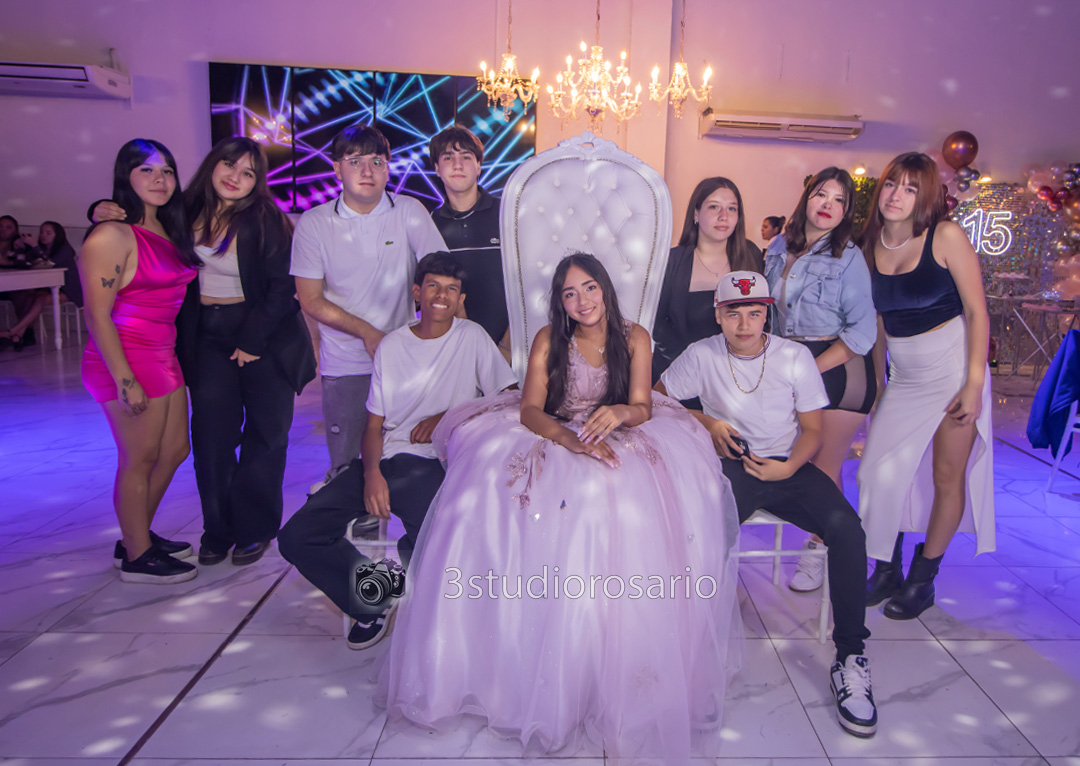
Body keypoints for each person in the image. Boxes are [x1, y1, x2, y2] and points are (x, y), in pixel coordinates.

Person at [380, 253, 742, 762]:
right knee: (508, 492)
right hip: (555, 430)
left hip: (620, 426)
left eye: (589, 288)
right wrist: (569, 440)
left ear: (605, 288)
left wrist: (620, 412)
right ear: (560, 302)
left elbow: (644, 405)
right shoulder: (551, 339)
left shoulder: (634, 337)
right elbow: (529, 409)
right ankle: (522, 657)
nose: (582, 301)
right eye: (570, 293)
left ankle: (619, 660)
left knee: (630, 492)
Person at [658, 270, 876, 739]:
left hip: (788, 465)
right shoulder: (702, 354)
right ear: (718, 315)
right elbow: (658, 401)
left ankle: (851, 656)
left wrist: (790, 465)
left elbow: (813, 430)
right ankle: (694, 656)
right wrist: (707, 423)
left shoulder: (794, 357)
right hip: (730, 465)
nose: (744, 324)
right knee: (704, 535)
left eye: (754, 313)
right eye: (734, 313)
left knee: (847, 529)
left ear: (767, 316)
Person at [278, 252, 516, 647]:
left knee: (435, 537)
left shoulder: (470, 337)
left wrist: (448, 415)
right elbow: (374, 426)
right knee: (298, 536)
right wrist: (372, 474)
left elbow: (507, 397)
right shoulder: (391, 346)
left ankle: (407, 597)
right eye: (434, 286)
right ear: (417, 292)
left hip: (434, 461)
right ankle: (373, 598)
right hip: (385, 460)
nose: (442, 295)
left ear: (460, 298)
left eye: (452, 289)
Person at [857, 152, 994, 619]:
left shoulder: (946, 236)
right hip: (904, 374)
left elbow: (976, 311)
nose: (897, 195)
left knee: (945, 476)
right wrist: (879, 384)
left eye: (911, 188)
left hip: (953, 368)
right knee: (877, 472)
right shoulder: (870, 244)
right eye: (892, 184)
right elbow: (876, 322)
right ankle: (886, 567)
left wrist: (973, 382)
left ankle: (922, 579)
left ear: (927, 196)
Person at [290, 124, 447, 482]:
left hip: (405, 361)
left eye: (377, 162)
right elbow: (310, 300)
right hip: (345, 363)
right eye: (355, 161)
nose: (367, 171)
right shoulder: (315, 224)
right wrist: (368, 333)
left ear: (387, 169)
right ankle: (349, 513)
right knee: (345, 465)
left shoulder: (408, 211)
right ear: (337, 168)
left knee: (406, 458)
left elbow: (440, 276)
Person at [79, 138, 200, 583]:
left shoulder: (169, 228)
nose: (159, 179)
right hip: (125, 357)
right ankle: (137, 556)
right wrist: (124, 378)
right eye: (147, 170)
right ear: (125, 176)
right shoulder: (112, 234)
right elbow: (96, 313)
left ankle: (135, 536)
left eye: (167, 170)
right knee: (140, 457)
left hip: (163, 355)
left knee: (175, 450)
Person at [764, 168, 877, 593]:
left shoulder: (849, 257)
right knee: (788, 452)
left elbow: (862, 332)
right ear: (807, 198)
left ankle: (817, 551)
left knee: (824, 466)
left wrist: (810, 369)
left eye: (839, 200)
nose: (828, 204)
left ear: (847, 211)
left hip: (839, 365)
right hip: (792, 361)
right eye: (821, 195)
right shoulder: (779, 245)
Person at [652, 177, 763, 383]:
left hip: (736, 375)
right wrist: (695, 366)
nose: (723, 216)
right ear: (696, 213)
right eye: (714, 207)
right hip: (680, 372)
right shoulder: (672, 261)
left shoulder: (751, 255)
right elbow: (657, 325)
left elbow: (763, 318)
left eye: (731, 209)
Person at [428, 125, 510, 361]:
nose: (457, 165)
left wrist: (506, 348)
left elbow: (528, 284)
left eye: (465, 157)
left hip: (509, 349)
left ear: (478, 166)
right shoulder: (430, 223)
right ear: (437, 168)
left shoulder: (506, 213)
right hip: (453, 351)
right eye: (448, 158)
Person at [0, 221, 81, 350]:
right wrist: (20, 247)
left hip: (68, 290)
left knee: (41, 299)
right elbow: (25, 262)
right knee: (29, 297)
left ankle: (12, 331)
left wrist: (34, 245)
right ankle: (18, 335)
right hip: (48, 288)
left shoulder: (65, 249)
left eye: (48, 233)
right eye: (42, 232)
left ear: (57, 235)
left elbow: (49, 263)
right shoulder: (39, 249)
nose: (43, 235)